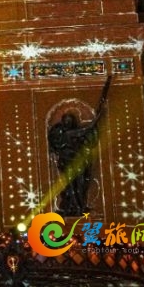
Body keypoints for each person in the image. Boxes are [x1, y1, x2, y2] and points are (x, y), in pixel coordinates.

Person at [47, 77, 111, 216]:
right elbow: (87, 129)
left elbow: (88, 133)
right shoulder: (66, 133)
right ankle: (75, 207)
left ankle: (79, 207)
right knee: (71, 186)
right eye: (66, 121)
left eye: (70, 120)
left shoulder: (74, 133)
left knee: (81, 185)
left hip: (79, 162)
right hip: (67, 162)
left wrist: (98, 118)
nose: (68, 122)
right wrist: (98, 118)